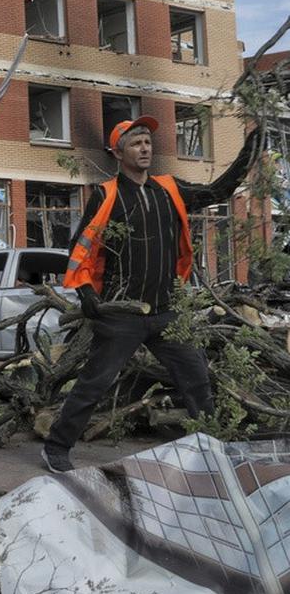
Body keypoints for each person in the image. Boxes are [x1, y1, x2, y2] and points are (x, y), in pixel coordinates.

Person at [43, 117, 261, 474]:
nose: (145, 148)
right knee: (94, 383)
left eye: (147, 142)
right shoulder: (106, 195)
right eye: (136, 143)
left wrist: (248, 151)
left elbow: (218, 192)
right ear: (118, 152)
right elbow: (79, 246)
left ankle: (213, 449)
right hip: (121, 312)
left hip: (166, 310)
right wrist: (85, 292)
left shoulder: (169, 188)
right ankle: (56, 447)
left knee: (196, 378)